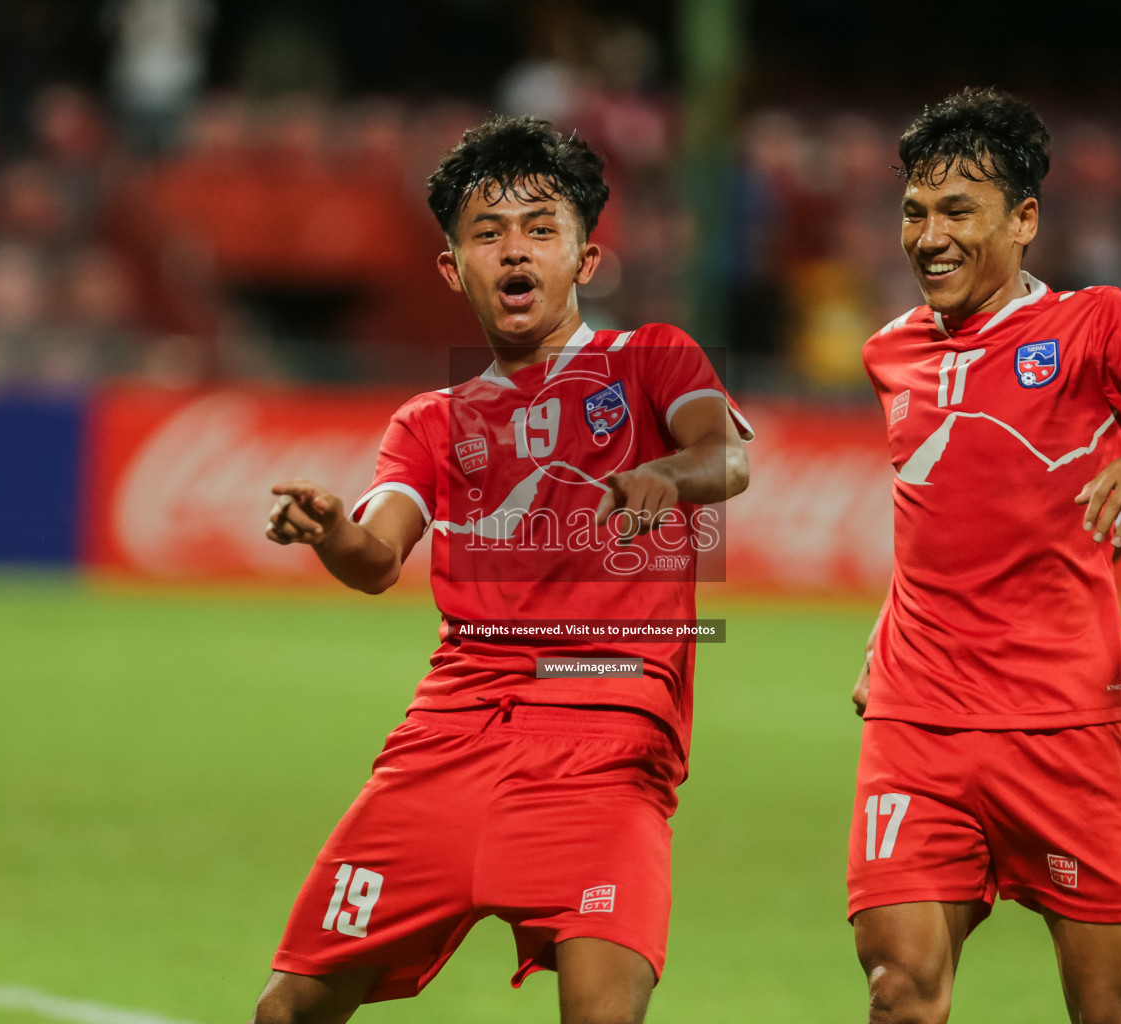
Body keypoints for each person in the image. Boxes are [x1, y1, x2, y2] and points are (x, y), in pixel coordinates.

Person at [248, 115, 752, 1024]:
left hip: (602, 736)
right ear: (454, 268)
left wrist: (661, 474)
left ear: (584, 259)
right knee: (287, 1011)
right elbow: (374, 556)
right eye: (488, 234)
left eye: (540, 230)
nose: (515, 253)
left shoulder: (650, 359)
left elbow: (729, 458)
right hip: (450, 732)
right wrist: (329, 530)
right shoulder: (431, 420)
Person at [849, 86, 1121, 1024]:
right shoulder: (889, 352)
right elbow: (941, 511)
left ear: (1024, 219)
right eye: (915, 211)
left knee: (1109, 1011)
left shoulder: (1098, 326)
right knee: (899, 988)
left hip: (1066, 724)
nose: (929, 236)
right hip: (918, 721)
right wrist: (885, 626)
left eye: (959, 211)